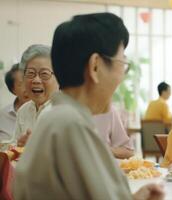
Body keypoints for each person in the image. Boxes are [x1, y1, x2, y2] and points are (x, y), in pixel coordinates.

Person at [13, 13, 164, 200]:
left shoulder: (58, 118)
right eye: (122, 63)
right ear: (95, 66)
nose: (122, 76)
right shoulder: (71, 125)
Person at [13, 44, 59, 147]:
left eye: (44, 74)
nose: (36, 80)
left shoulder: (66, 110)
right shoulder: (23, 111)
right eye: (30, 73)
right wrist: (19, 146)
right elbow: (15, 148)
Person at [0, 63, 30, 146]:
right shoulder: (2, 115)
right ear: (13, 90)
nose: (28, 87)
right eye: (21, 84)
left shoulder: (46, 111)